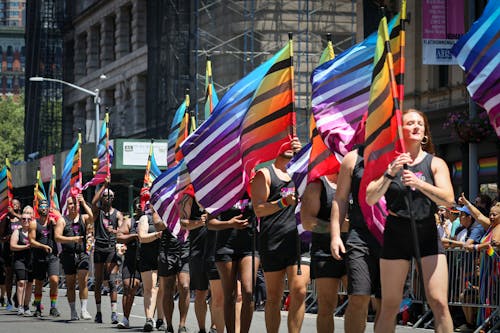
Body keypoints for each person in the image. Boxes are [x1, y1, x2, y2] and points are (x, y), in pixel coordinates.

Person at [365, 109, 455, 333]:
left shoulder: (435, 163)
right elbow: (370, 197)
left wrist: (420, 183)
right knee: (390, 305)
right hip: (397, 232)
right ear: (400, 131)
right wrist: (390, 172)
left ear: (425, 132)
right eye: (410, 123)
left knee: (439, 302)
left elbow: (449, 200)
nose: (416, 127)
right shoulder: (388, 162)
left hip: (426, 231)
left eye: (420, 124)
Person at [250, 137, 310, 333]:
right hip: (272, 242)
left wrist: (302, 156)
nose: (291, 145)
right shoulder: (264, 174)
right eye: (286, 142)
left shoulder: (302, 172)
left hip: (299, 243)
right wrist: (283, 202)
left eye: (295, 143)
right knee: (274, 297)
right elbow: (258, 209)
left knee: (299, 291)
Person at [330, 146, 382, 333]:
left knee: (386, 303)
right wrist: (335, 235)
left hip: (391, 236)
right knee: (359, 296)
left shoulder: (399, 153)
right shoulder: (353, 158)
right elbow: (341, 198)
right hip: (360, 235)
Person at [301, 174, 347, 333]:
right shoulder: (317, 185)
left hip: (354, 248)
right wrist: (335, 228)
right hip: (324, 252)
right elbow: (307, 222)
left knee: (359, 300)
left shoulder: (358, 179)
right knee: (326, 306)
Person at [209, 193, 258, 333]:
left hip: (250, 247)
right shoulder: (224, 189)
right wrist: (230, 223)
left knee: (248, 292)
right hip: (226, 247)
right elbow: (210, 223)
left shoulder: (254, 186)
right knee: (230, 295)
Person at [179, 187, 223, 333]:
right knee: (200, 292)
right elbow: (183, 222)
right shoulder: (189, 194)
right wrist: (200, 222)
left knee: (217, 294)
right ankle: (202, 329)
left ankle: (215, 327)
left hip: (218, 249)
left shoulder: (219, 190)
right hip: (198, 250)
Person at [55, 194, 94, 320]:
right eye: (70, 204)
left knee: (83, 280)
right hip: (68, 254)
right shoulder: (62, 220)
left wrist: (83, 203)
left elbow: (92, 217)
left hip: (82, 253)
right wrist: (73, 239)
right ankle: (73, 311)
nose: (72, 206)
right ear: (67, 206)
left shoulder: (83, 217)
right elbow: (57, 237)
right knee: (71, 284)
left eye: (74, 204)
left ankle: (84, 310)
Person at [153, 206, 191, 333]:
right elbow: (158, 225)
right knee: (168, 288)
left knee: (184, 286)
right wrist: (173, 217)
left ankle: (182, 325)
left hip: (185, 246)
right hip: (167, 249)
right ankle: (169, 325)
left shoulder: (187, 201)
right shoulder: (163, 203)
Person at [91, 180, 124, 324]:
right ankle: (98, 312)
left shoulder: (117, 214)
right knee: (98, 281)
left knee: (111, 280)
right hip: (99, 248)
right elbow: (93, 202)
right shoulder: (98, 212)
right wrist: (104, 186)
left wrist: (115, 231)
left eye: (110, 196)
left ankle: (114, 313)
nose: (108, 198)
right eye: (105, 196)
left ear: (113, 198)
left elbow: (123, 232)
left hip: (111, 248)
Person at [28, 199, 61, 317]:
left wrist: (55, 224)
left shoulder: (53, 222)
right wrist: (42, 246)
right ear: (38, 209)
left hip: (52, 256)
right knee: (39, 283)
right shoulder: (33, 223)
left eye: (45, 207)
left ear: (48, 209)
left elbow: (59, 234)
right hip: (39, 256)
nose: (43, 209)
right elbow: (31, 241)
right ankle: (37, 306)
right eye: (41, 207)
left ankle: (53, 306)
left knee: (54, 280)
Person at [116, 199, 142, 329]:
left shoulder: (151, 219)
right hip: (131, 259)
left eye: (142, 204)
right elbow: (119, 236)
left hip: (147, 260)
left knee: (145, 289)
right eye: (137, 205)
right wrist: (134, 236)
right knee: (128, 286)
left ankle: (153, 319)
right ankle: (125, 318)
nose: (139, 207)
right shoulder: (129, 221)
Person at [137, 203, 163, 332]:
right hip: (147, 257)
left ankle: (161, 319)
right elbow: (142, 237)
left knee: (161, 289)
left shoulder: (168, 217)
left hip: (162, 257)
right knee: (150, 288)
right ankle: (149, 319)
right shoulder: (145, 218)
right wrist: (157, 235)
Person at [0, 198, 22, 311]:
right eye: (12, 204)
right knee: (9, 276)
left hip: (20, 251)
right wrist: (7, 238)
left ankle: (17, 296)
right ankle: (8, 299)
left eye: (16, 204)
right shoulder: (6, 219)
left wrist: (14, 214)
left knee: (20, 277)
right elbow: (1, 235)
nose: (14, 206)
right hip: (8, 252)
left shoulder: (22, 218)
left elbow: (26, 222)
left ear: (19, 206)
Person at [9, 211, 33, 316]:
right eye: (23, 219)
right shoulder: (17, 232)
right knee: (21, 282)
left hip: (31, 261)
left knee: (29, 284)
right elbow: (12, 246)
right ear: (21, 220)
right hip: (20, 261)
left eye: (28, 219)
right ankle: (20, 306)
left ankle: (27, 306)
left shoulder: (34, 232)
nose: (26, 221)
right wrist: (25, 247)